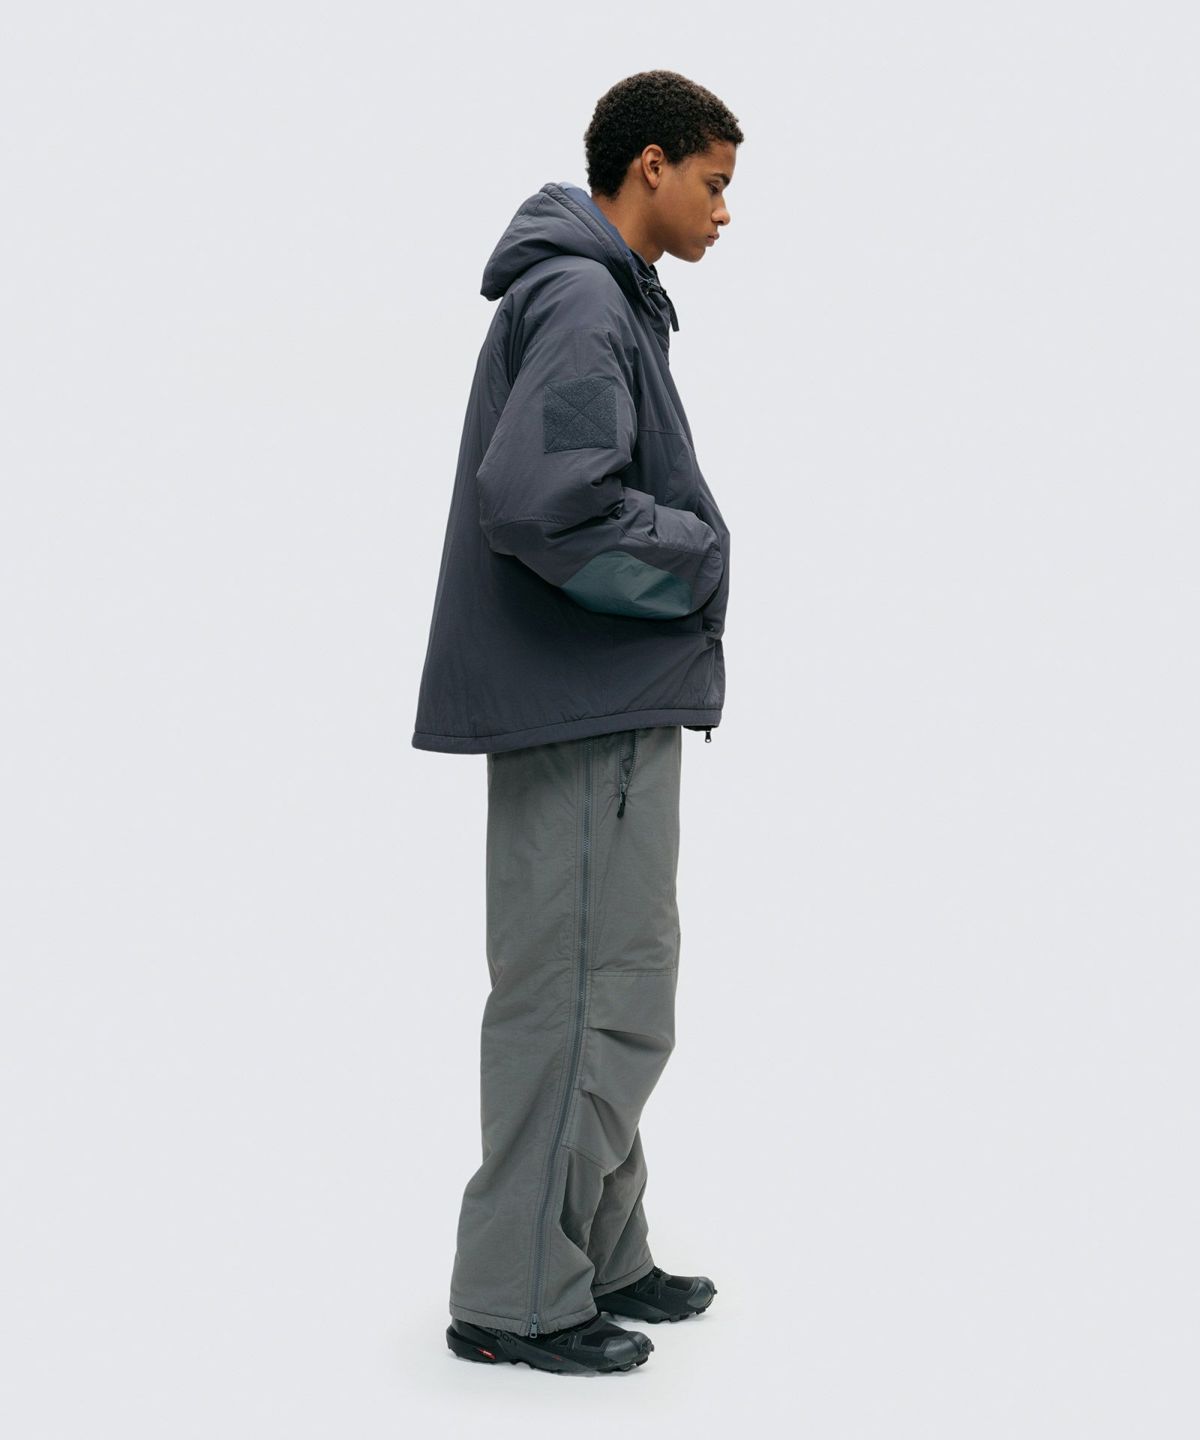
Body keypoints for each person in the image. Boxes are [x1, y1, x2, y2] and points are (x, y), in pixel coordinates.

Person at [412, 69, 741, 1375]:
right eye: (714, 182)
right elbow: (544, 502)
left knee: (614, 984)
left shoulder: (602, 295)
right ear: (649, 166)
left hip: (597, 699)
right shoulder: (585, 298)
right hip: (583, 708)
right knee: (583, 997)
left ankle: (598, 1247)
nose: (725, 211)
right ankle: (517, 1296)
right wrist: (695, 555)